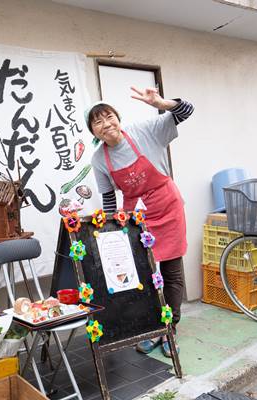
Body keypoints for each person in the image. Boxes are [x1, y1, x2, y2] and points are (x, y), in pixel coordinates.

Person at [84, 87, 194, 357]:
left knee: (171, 273)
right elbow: (109, 200)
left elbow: (186, 110)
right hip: (137, 217)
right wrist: (109, 232)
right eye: (97, 121)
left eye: (108, 116)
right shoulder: (99, 159)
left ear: (117, 118)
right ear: (94, 132)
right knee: (144, 275)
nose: (105, 123)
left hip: (167, 207)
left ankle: (170, 330)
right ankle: (154, 327)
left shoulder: (145, 131)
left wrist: (160, 102)